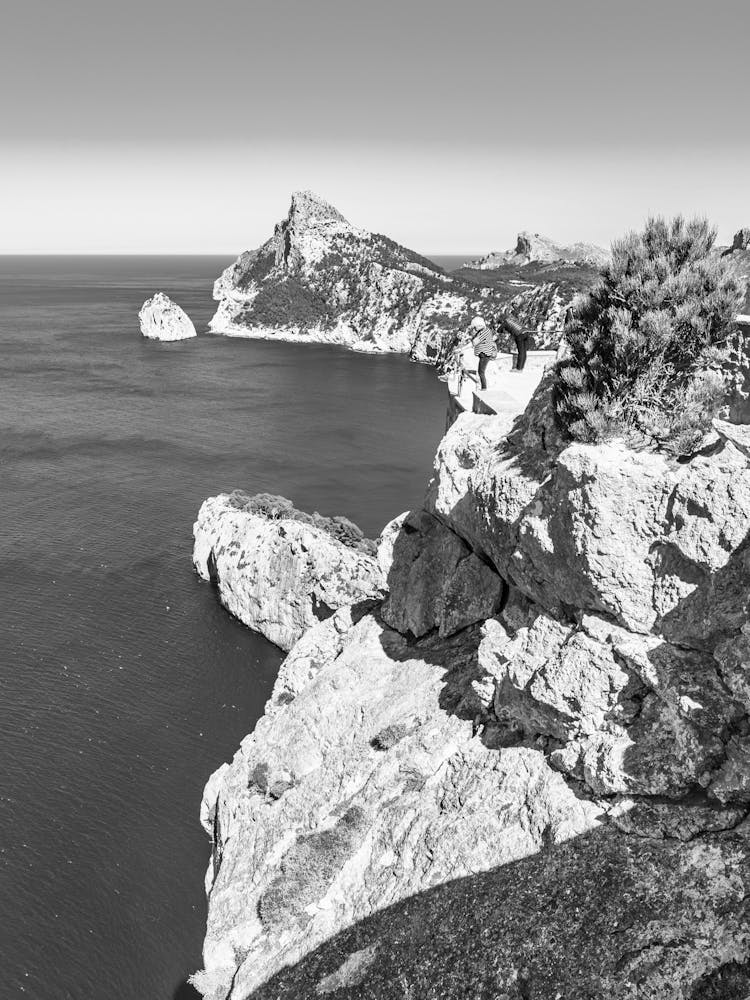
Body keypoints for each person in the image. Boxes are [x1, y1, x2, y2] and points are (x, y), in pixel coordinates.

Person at [467, 315, 497, 389]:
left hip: (485, 355)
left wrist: (463, 348)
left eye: (475, 327)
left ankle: (484, 388)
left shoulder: (485, 331)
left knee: (481, 372)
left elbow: (475, 342)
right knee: (481, 372)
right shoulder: (483, 331)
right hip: (483, 354)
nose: (475, 328)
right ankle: (483, 387)